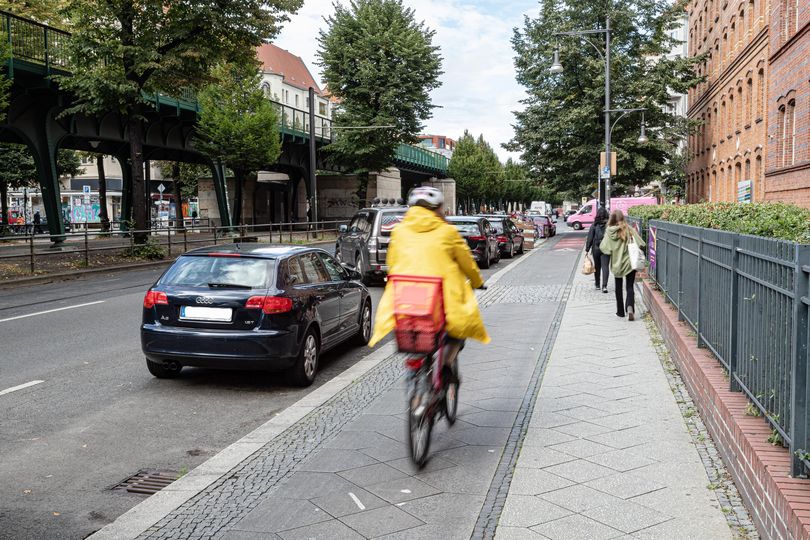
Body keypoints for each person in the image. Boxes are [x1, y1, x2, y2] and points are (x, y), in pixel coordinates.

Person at [369, 187, 490, 371]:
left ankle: (416, 396)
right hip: (440, 300)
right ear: (438, 208)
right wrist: (477, 281)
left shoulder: (399, 231)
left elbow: (392, 263)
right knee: (457, 331)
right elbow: (467, 263)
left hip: (406, 299)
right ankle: (446, 366)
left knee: (412, 331)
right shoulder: (447, 231)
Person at [599, 209, 646, 321]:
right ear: (622, 218)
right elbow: (641, 243)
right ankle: (630, 307)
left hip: (617, 264)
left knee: (618, 288)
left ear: (612, 219)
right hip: (630, 262)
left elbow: (604, 248)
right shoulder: (629, 229)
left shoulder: (609, 232)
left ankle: (620, 312)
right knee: (630, 286)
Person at [585, 207, 610, 293]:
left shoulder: (594, 225)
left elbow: (590, 238)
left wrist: (587, 249)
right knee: (605, 267)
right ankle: (604, 286)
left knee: (597, 267)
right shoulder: (609, 225)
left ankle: (597, 284)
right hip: (606, 248)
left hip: (596, 248)